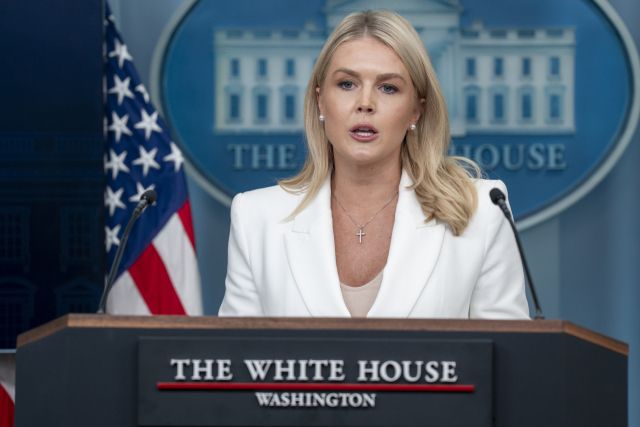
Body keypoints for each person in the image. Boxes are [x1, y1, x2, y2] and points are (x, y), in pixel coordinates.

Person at [218, 10, 530, 319]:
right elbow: (235, 349)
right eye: (347, 84)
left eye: (388, 87)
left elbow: (509, 348)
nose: (365, 103)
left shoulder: (481, 211)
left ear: (416, 110)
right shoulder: (256, 217)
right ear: (320, 101)